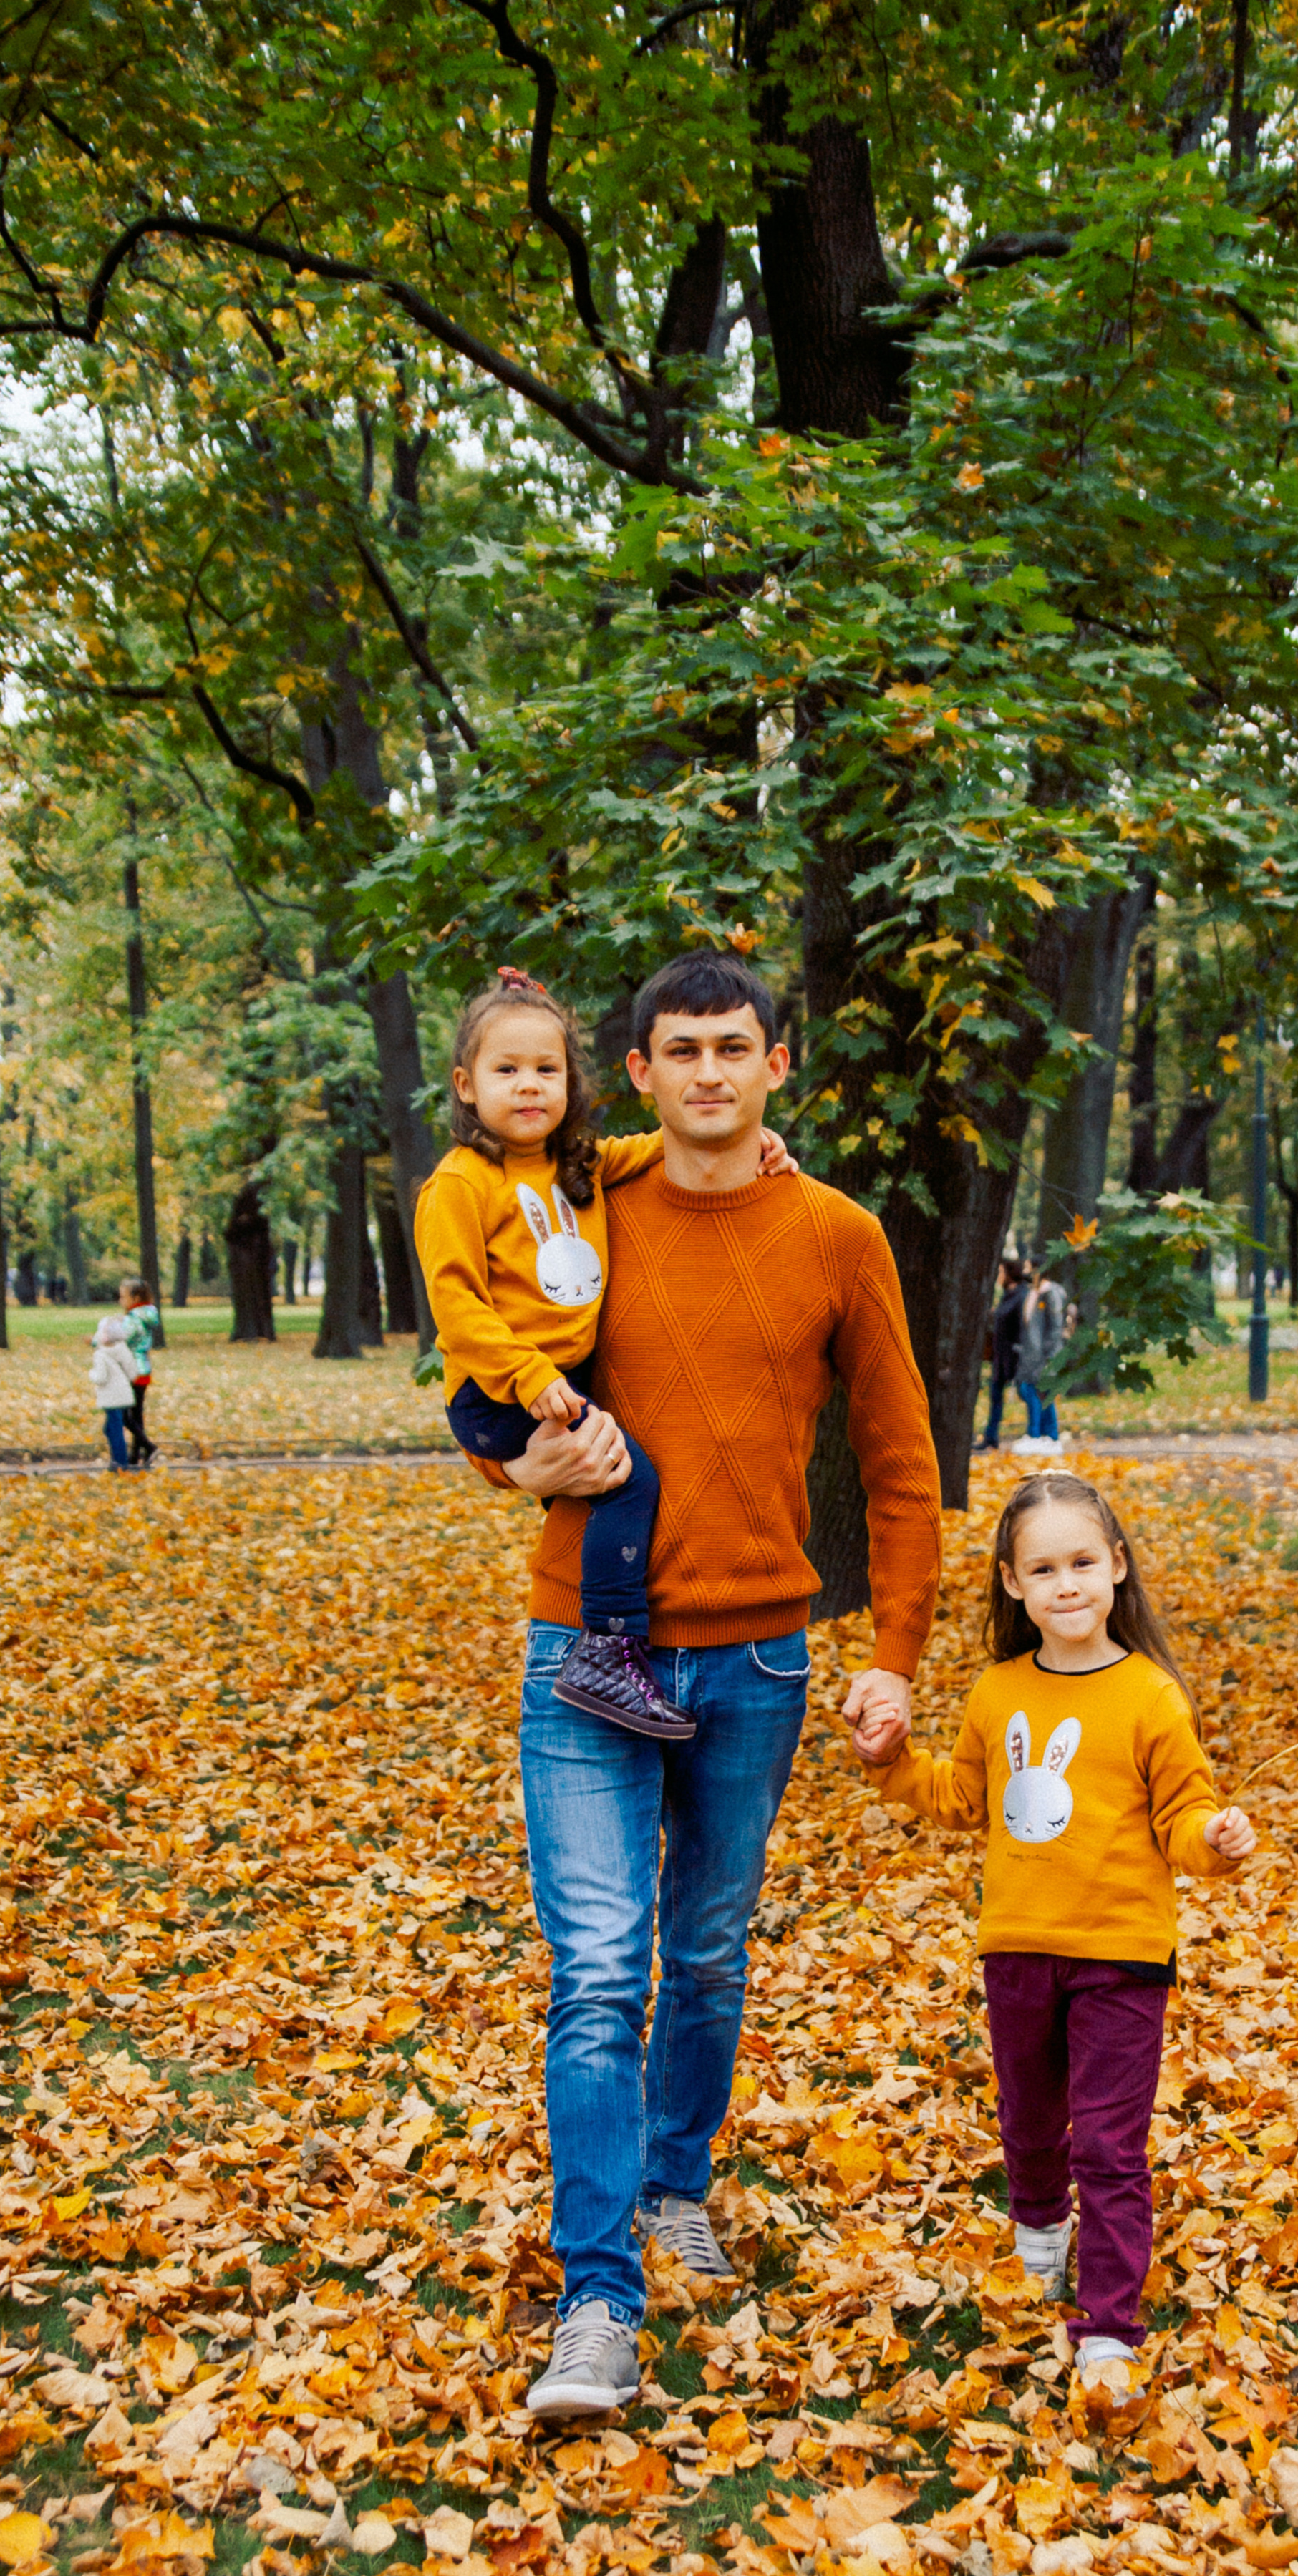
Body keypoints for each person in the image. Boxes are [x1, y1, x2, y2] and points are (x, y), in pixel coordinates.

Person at [498, 949, 942, 2419]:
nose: (704, 1071)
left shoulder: (839, 1234)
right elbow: (488, 1373)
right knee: (599, 1971)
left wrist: (891, 1658)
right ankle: (595, 2302)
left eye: (729, 1046)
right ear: (635, 1074)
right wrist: (506, 1459)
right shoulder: (576, 1216)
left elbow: (897, 1463)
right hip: (586, 1647)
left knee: (701, 1953)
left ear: (774, 1064)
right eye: (677, 1049)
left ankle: (678, 2180)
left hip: (758, 1653)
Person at [861, 1469, 1256, 2393]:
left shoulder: (1153, 1698)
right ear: (1012, 1583)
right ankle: (1040, 2235)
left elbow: (1185, 1818)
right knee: (1031, 2124)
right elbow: (961, 1798)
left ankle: (1109, 2322)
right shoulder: (997, 1695)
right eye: (1045, 1569)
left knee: (1109, 2146)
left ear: (1117, 1567)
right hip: (1019, 1950)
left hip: (1122, 1957)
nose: (1067, 1583)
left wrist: (1218, 1841)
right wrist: (890, 1764)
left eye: (1083, 1562)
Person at [415, 967, 800, 1741]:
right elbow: (455, 1311)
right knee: (631, 1480)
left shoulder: (578, 1168)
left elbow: (661, 1145)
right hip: (502, 1390)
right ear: (465, 1084)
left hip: (551, 1384)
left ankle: (605, 1643)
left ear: (572, 1082)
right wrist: (527, 1379)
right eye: (507, 1070)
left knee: (609, 1478)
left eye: (546, 1071)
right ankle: (607, 1649)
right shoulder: (459, 1186)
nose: (529, 1087)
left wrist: (754, 1134)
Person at [1013, 1265, 1066, 1449]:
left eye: (1028, 1266)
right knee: (1032, 1391)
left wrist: (1049, 1355)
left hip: (1044, 1356)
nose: (1025, 1270)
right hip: (1030, 1355)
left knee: (1041, 1392)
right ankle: (1041, 1435)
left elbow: (1055, 1327)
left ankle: (1045, 1435)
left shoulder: (1050, 1293)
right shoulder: (1033, 1293)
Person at [979, 1256, 1028, 1449]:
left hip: (1015, 1355)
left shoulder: (1020, 1295)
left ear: (1010, 1274)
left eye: (1001, 1272)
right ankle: (991, 1436)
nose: (999, 1277)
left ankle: (1039, 1433)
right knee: (996, 1396)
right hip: (1001, 1356)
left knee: (1028, 1393)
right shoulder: (1007, 1296)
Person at [88, 1316, 140, 1472]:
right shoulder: (122, 1348)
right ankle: (119, 1459)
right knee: (112, 1426)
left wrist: (91, 1374)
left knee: (114, 1428)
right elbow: (132, 1372)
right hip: (123, 1393)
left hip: (110, 1397)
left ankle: (120, 1461)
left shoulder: (100, 1355)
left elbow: (101, 1377)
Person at [119, 1278, 160, 1467]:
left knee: (124, 1415)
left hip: (132, 1370)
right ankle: (135, 1454)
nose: (121, 1301)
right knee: (136, 1414)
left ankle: (149, 1447)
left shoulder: (134, 1318)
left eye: (123, 1297)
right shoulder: (148, 1315)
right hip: (144, 1368)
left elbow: (121, 1338)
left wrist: (97, 1340)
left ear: (135, 1298)